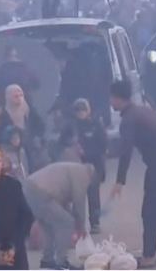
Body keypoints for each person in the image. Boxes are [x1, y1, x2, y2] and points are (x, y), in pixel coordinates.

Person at [110, 80, 156, 269]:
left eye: (111, 98)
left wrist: (120, 181)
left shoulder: (129, 120)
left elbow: (125, 152)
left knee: (150, 211)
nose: (110, 102)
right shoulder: (145, 110)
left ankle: (149, 256)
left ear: (119, 98)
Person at [22, 161, 96, 271]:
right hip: (39, 192)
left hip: (29, 188)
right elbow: (79, 201)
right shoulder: (83, 173)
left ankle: (47, 260)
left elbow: (64, 205)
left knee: (49, 227)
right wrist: (80, 226)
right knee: (66, 224)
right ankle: (61, 262)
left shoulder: (71, 168)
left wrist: (77, 221)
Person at [67, 98, 107, 234]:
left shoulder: (96, 125)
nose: (80, 113)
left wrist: (87, 152)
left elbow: (103, 146)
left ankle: (95, 223)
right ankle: (77, 224)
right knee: (76, 195)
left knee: (93, 194)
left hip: (94, 164)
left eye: (83, 110)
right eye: (77, 111)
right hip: (76, 165)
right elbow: (60, 143)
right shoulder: (71, 127)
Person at [0, 84, 48, 173]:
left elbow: (40, 125)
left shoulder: (29, 110)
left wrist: (36, 136)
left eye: (21, 95)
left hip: (31, 150)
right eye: (15, 96)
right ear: (8, 97)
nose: (19, 98)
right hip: (13, 154)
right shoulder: (3, 116)